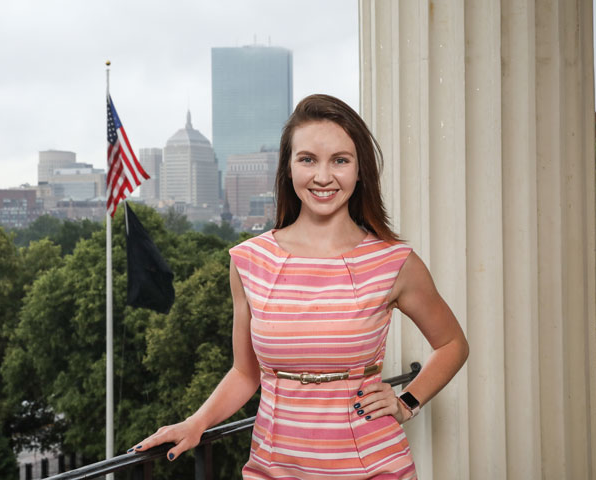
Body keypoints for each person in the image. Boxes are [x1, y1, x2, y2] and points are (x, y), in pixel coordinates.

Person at [131, 94, 469, 479]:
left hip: (374, 466)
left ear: (360, 171)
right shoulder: (249, 260)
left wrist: (407, 401)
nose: (323, 177)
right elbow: (246, 373)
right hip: (273, 468)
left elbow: (452, 345)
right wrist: (196, 423)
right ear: (288, 168)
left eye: (340, 160)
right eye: (307, 159)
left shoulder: (394, 263)